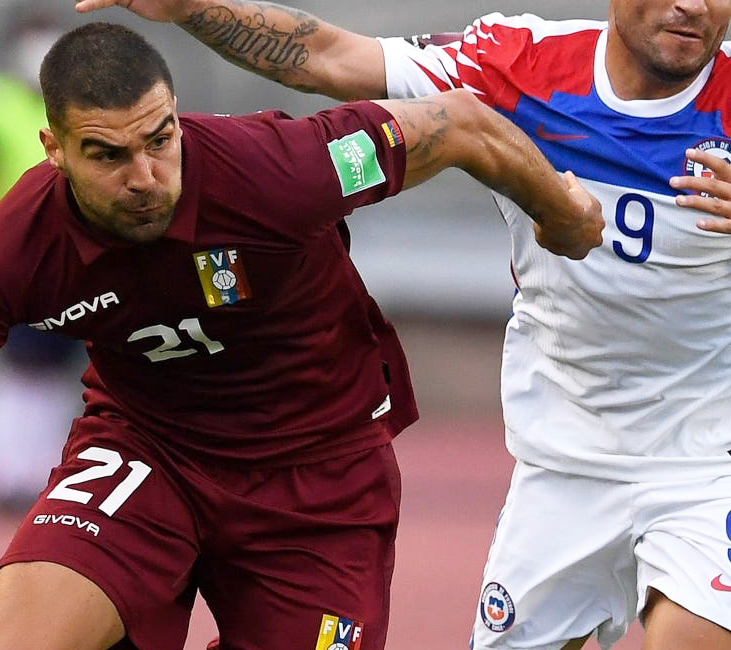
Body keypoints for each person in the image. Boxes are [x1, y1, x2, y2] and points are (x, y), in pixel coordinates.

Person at [0, 22, 601, 650]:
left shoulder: (276, 171)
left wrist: (562, 216)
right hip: (150, 451)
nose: (147, 175)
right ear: (53, 149)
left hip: (318, 474)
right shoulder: (7, 255)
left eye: (160, 139)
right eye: (109, 154)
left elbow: (462, 123)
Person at [76, 0, 731, 648]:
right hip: (563, 461)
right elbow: (329, 56)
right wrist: (192, 8)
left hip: (706, 465)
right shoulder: (520, 63)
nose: (692, 6)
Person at [0, 6, 83, 514]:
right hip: (10, 255)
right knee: (16, 366)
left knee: (56, 368)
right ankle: (1, 471)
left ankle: (41, 472)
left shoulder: (74, 103)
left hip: (71, 255)